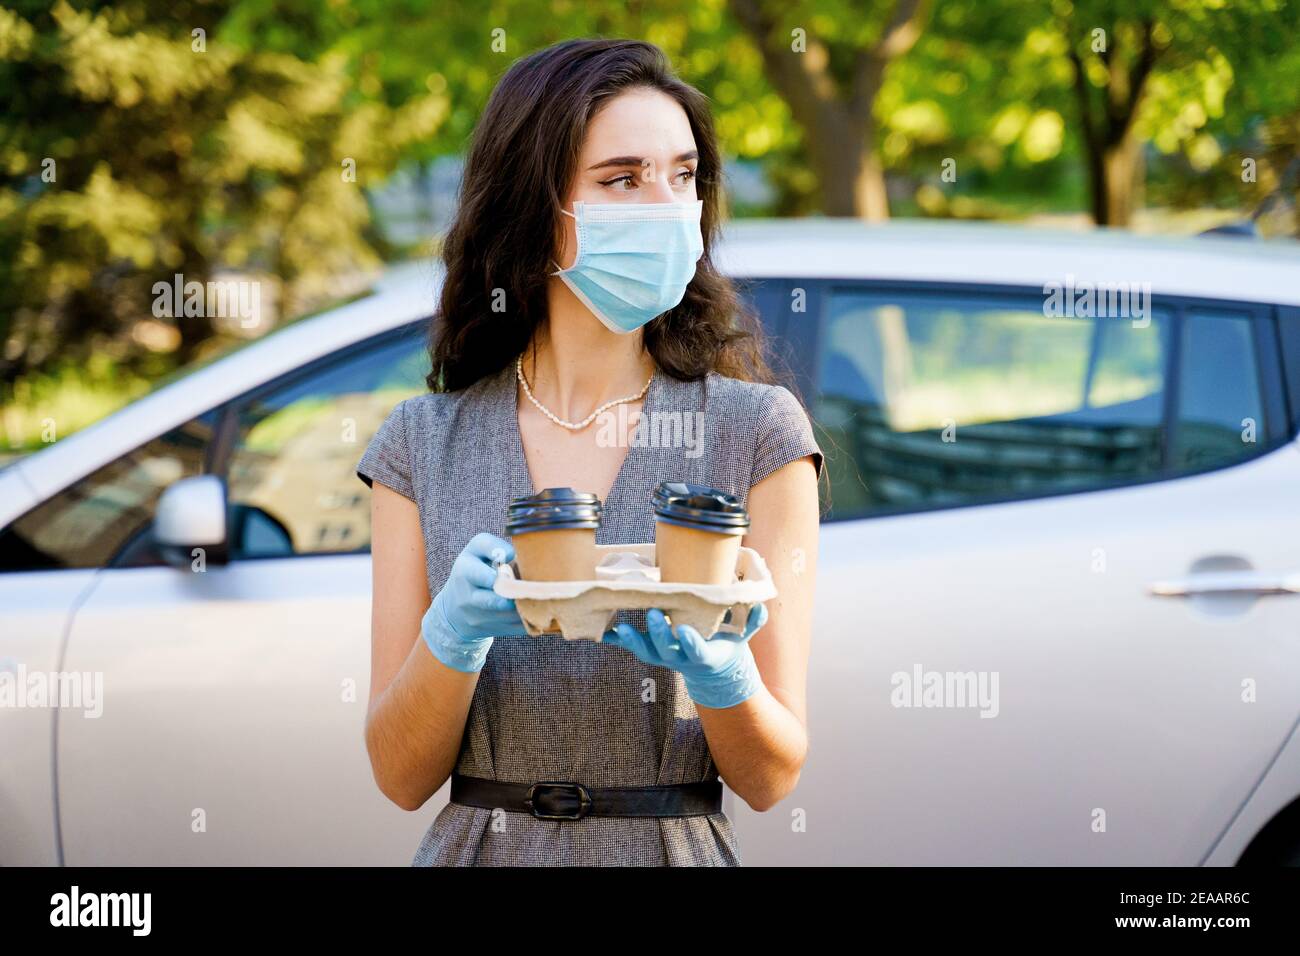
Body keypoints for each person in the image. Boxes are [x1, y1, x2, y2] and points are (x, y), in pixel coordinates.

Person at [356, 37, 823, 866]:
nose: (667, 205)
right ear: (534, 210)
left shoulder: (758, 431)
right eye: (622, 179)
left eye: (683, 176)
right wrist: (450, 637)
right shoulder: (420, 444)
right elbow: (398, 775)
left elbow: (772, 776)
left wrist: (724, 679)